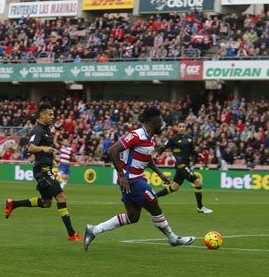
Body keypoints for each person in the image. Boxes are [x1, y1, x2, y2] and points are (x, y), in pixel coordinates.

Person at [83, 107, 195, 251]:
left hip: (135, 179)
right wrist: (122, 175)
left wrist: (160, 174)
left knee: (133, 216)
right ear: (155, 121)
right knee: (154, 204)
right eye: (161, 121)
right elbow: (113, 150)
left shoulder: (150, 138)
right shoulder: (136, 135)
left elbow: (147, 159)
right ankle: (173, 238)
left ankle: (94, 230)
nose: (163, 124)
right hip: (131, 180)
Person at [4, 104, 83, 242]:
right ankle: (72, 234)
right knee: (61, 197)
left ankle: (13, 204)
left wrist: (53, 156)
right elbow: (31, 147)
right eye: (50, 114)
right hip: (43, 171)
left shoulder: (46, 130)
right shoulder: (38, 130)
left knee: (46, 203)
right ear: (42, 116)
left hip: (46, 168)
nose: (53, 117)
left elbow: (45, 150)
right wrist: (44, 148)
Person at [156, 122, 213, 214]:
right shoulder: (173, 139)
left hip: (186, 165)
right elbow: (163, 147)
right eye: (180, 127)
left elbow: (192, 151)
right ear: (177, 128)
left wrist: (198, 154)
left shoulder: (190, 138)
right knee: (198, 182)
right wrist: (157, 155)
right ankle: (200, 207)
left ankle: (153, 197)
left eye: (183, 127)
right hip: (181, 165)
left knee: (174, 187)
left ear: (185, 128)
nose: (182, 128)